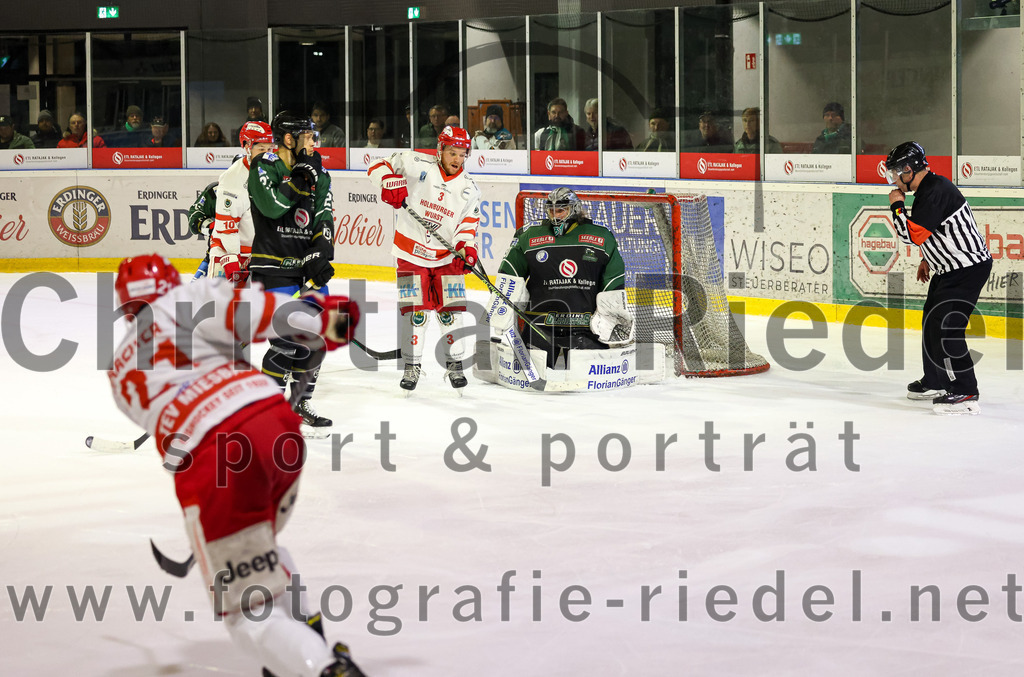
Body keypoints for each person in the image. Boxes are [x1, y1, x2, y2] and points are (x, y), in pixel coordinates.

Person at [108, 254, 365, 677]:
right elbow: (261, 312)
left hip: (216, 459)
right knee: (261, 546)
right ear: (170, 282)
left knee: (247, 615)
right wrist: (324, 320)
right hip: (276, 426)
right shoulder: (188, 296)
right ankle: (304, 646)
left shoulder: (118, 371)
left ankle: (322, 668)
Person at [366, 125, 482, 392]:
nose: (457, 159)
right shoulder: (415, 162)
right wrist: (387, 180)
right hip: (410, 254)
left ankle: (454, 365)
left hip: (446, 259)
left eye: (462, 154)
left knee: (452, 313)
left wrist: (467, 251)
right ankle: (412, 365)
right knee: (415, 313)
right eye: (452, 152)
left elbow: (467, 228)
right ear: (440, 150)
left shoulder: (470, 189)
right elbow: (377, 165)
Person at [885, 141, 993, 415]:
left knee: (947, 329)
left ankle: (965, 392)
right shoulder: (928, 189)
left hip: (966, 270)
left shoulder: (935, 190)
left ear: (909, 170)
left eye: (896, 173)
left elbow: (912, 234)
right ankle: (936, 380)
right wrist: (927, 258)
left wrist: (897, 207)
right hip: (948, 267)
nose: (894, 180)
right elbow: (936, 231)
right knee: (931, 323)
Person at [248, 111, 336, 429]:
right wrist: (300, 178)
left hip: (305, 269)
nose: (314, 142)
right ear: (289, 139)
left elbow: (324, 215)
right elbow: (272, 206)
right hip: (272, 267)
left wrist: (320, 253)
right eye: (309, 136)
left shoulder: (319, 171)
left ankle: (299, 404)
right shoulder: (264, 166)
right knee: (288, 342)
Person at [485, 187, 633, 368]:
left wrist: (610, 318)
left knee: (588, 380)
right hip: (539, 323)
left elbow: (613, 281)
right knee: (527, 373)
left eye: (561, 210)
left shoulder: (601, 236)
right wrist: (502, 317)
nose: (555, 216)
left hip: (585, 326)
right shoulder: (529, 235)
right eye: (552, 210)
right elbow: (510, 277)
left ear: (575, 210)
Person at [208, 120, 275, 285]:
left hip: (258, 256)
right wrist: (233, 260)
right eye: (261, 149)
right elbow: (226, 224)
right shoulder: (233, 179)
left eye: (269, 149)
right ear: (247, 147)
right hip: (228, 254)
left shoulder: (273, 170)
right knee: (225, 308)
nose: (266, 154)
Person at [187, 180, 219, 281]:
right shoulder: (215, 191)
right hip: (215, 256)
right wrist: (210, 226)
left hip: (250, 259)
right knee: (194, 295)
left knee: (243, 295)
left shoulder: (262, 189)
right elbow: (195, 216)